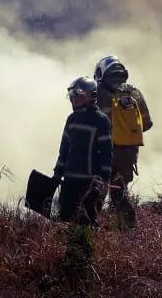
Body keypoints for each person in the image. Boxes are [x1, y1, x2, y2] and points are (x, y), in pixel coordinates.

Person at [93, 55, 154, 226]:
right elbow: (147, 124)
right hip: (129, 153)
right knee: (119, 191)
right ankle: (128, 228)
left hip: (105, 151)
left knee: (98, 189)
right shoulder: (135, 93)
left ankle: (90, 228)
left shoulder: (98, 94)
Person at [52, 76, 113, 227]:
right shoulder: (71, 119)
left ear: (91, 96)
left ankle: (90, 248)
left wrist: (104, 178)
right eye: (72, 97)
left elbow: (106, 152)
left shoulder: (101, 120)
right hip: (69, 180)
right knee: (65, 219)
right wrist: (57, 173)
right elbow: (64, 149)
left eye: (77, 96)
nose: (73, 100)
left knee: (89, 221)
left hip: (90, 182)